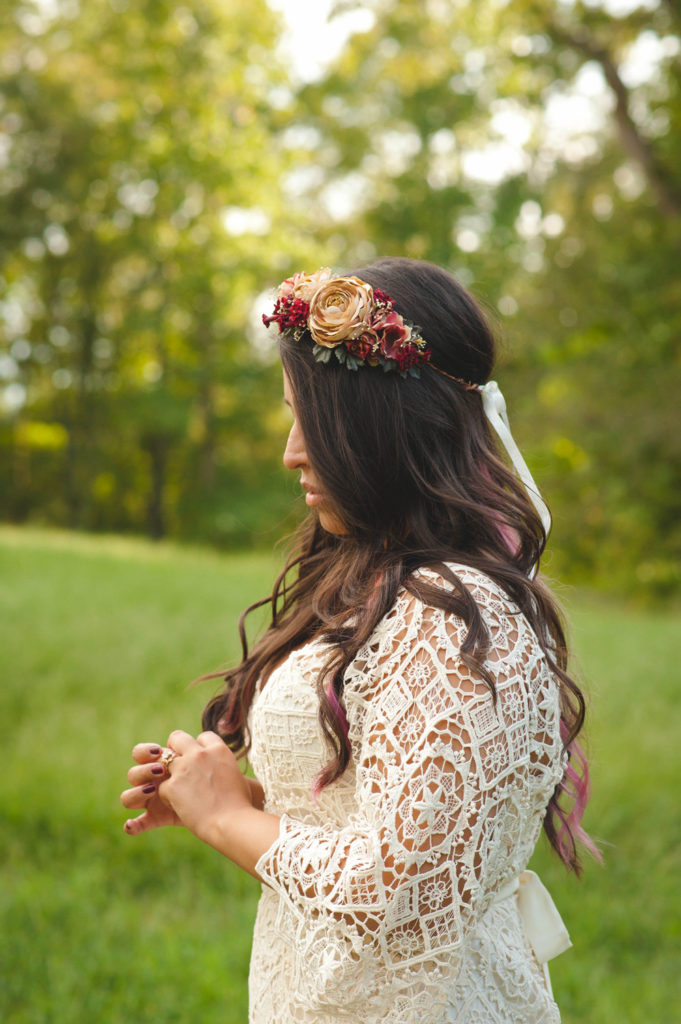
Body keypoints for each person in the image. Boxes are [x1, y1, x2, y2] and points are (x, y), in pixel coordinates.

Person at [121, 258, 598, 1024]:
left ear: (384, 424)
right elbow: (387, 833)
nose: (290, 451)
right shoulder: (383, 587)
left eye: (310, 418)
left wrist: (226, 820)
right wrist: (242, 805)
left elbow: (402, 894)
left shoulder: (454, 614)